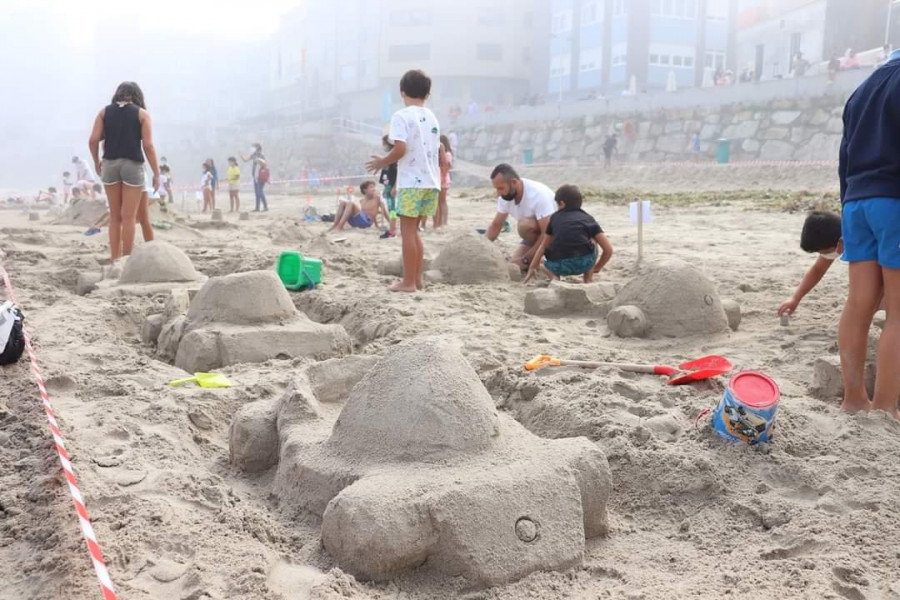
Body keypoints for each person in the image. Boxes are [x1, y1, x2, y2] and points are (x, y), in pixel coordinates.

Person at [836, 46, 900, 416]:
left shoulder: (861, 90)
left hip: (856, 202)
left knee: (858, 305)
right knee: (897, 312)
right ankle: (887, 406)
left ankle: (854, 400)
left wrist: (847, 204)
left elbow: (844, 157)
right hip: (894, 200)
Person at [366, 69, 441, 293]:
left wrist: (382, 162)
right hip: (431, 182)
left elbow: (400, 149)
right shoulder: (432, 116)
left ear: (402, 92)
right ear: (427, 94)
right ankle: (417, 280)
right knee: (415, 231)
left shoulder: (401, 116)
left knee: (407, 232)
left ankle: (408, 282)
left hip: (412, 182)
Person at [88, 81, 159, 262]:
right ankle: (126, 259)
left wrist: (96, 161)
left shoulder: (104, 112)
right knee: (129, 217)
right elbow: (148, 146)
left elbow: (93, 140)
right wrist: (156, 173)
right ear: (137, 96)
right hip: (132, 165)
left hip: (110, 164)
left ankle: (114, 259)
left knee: (115, 217)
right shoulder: (142, 114)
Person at [524, 185, 613, 284]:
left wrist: (532, 267)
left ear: (561, 204)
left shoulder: (554, 218)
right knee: (593, 241)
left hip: (559, 266)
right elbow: (608, 250)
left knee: (542, 262)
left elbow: (543, 246)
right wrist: (597, 267)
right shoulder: (588, 218)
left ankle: (555, 278)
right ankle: (588, 278)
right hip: (584, 264)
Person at [484, 164, 556, 269]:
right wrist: (481, 246)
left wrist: (526, 259)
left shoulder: (538, 195)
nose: (498, 194)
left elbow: (548, 233)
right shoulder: (505, 197)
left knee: (524, 225)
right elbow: (496, 226)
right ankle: (537, 258)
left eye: (501, 188)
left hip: (556, 237)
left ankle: (545, 257)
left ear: (514, 182)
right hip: (534, 238)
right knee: (513, 266)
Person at [778, 211, 844, 317]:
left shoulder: (862, 241)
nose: (825, 256)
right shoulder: (836, 237)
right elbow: (817, 270)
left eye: (825, 252)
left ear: (840, 243)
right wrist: (795, 298)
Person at [378, 135, 398, 239]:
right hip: (388, 186)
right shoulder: (390, 156)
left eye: (384, 143)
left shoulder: (395, 158)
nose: (383, 145)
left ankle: (392, 231)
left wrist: (395, 187)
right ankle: (392, 229)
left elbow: (399, 173)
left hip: (392, 187)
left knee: (393, 210)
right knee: (391, 209)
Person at [241, 143, 268, 212]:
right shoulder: (254, 155)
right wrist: (241, 155)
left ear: (257, 147)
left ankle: (265, 206)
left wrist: (259, 161)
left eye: (253, 147)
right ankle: (257, 207)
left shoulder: (261, 155)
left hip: (260, 176)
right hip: (255, 176)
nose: (252, 148)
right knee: (257, 192)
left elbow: (265, 164)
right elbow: (245, 160)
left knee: (260, 191)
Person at [434, 134, 453, 229]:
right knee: (437, 202)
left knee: (442, 201)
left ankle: (444, 221)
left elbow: (446, 167)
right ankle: (438, 222)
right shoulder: (436, 155)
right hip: (437, 179)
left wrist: (442, 152)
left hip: (443, 179)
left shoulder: (447, 154)